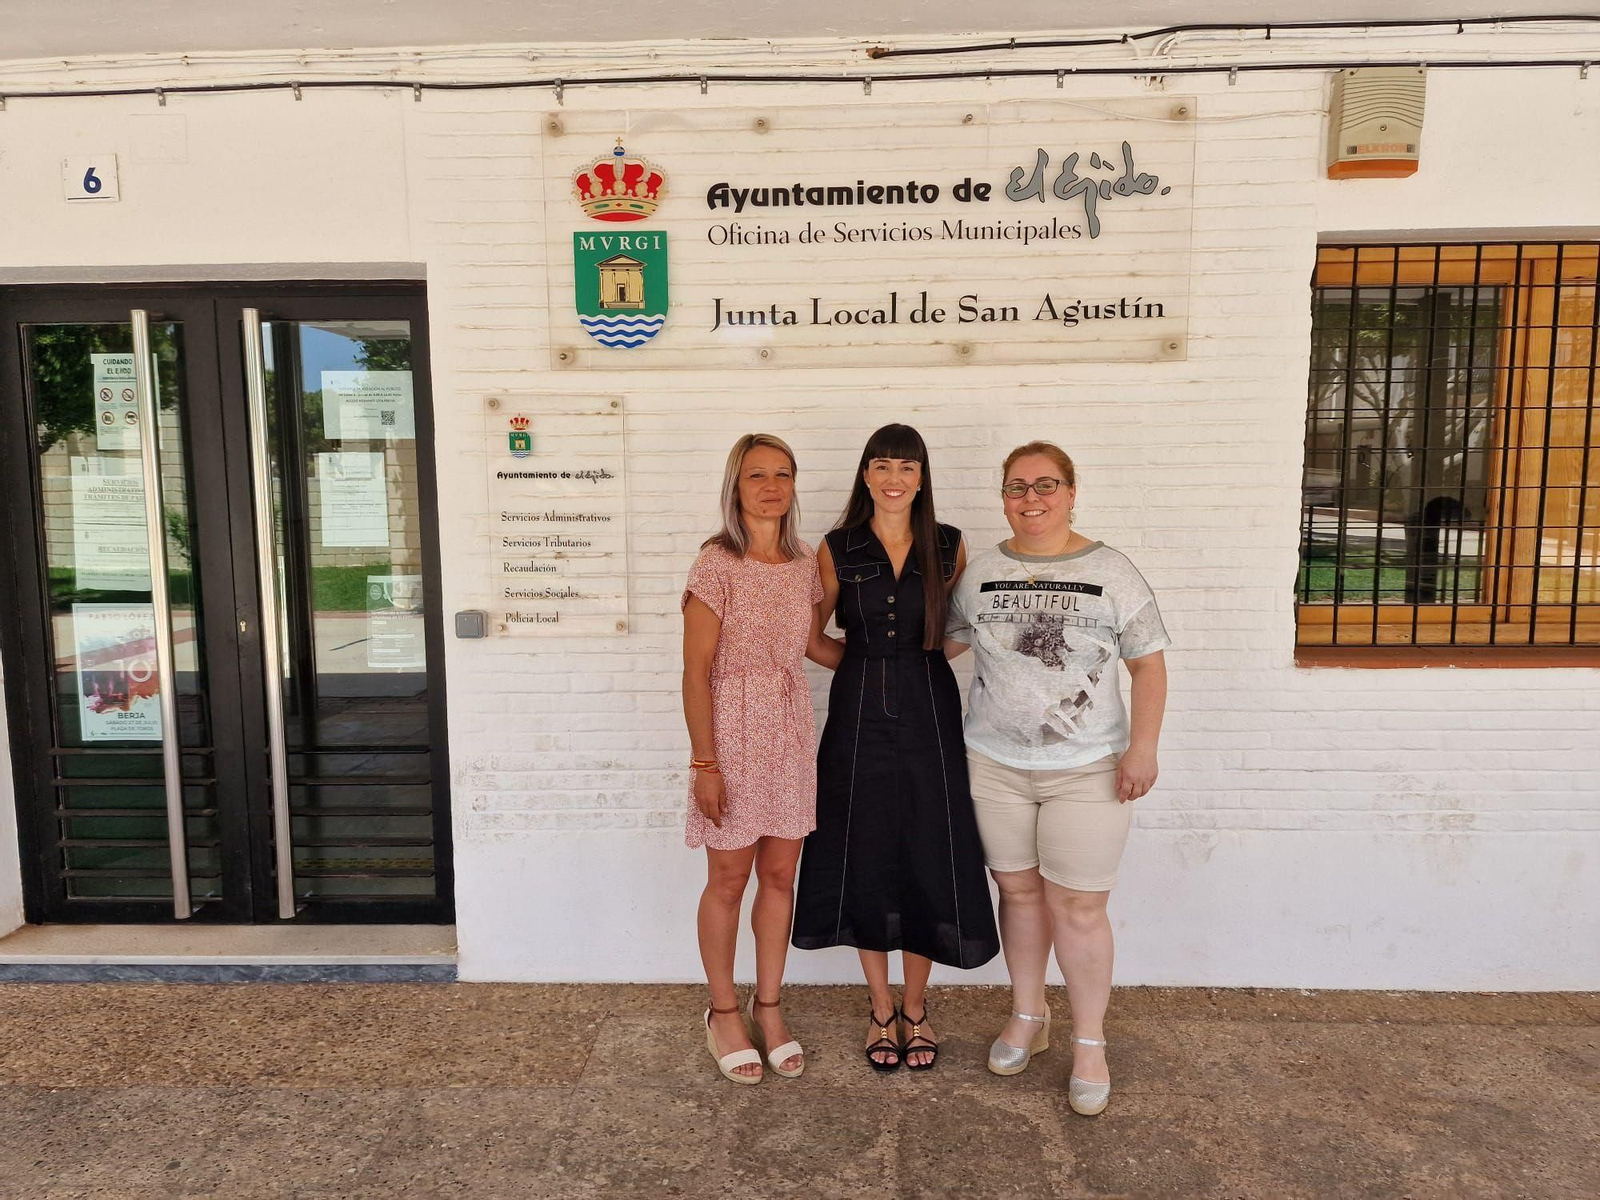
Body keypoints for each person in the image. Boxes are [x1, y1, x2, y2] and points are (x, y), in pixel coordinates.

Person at [946, 440, 1169, 1116]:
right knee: (1016, 895)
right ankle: (1028, 1014)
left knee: (1078, 907)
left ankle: (1090, 1042)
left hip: (1087, 770)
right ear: (1004, 497)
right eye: (1018, 486)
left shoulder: (1112, 571)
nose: (1031, 498)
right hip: (993, 764)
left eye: (1046, 485)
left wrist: (1144, 748)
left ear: (1072, 493)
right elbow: (942, 645)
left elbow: (1149, 666)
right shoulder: (980, 572)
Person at [792, 423, 1000, 1072]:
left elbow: (962, 628)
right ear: (865, 474)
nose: (893, 479)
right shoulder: (835, 546)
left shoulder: (950, 544)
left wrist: (920, 660)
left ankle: (917, 1008)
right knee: (866, 847)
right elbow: (812, 636)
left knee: (926, 848)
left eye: (906, 468)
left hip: (931, 709)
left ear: (921, 476)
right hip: (856, 711)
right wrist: (862, 664)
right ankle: (879, 1007)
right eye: (882, 465)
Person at [682, 433, 824, 1085]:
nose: (772, 486)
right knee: (729, 879)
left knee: (779, 877)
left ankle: (769, 1007)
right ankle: (722, 1011)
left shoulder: (805, 562)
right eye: (756, 475)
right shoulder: (716, 562)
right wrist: (704, 764)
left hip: (790, 730)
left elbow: (815, 647)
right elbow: (695, 671)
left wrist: (902, 666)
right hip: (732, 734)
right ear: (735, 486)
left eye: (783, 474)